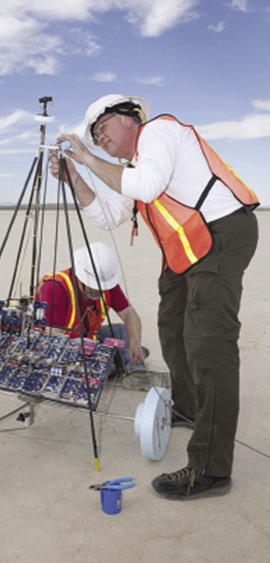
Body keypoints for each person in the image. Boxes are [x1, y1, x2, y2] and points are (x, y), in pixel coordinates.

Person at [49, 94, 259, 500]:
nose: (97, 138)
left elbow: (144, 185)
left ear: (129, 119)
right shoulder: (135, 168)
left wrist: (87, 160)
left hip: (220, 236)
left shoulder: (160, 131)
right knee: (170, 324)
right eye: (92, 136)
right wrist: (75, 177)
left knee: (208, 346)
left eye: (101, 127)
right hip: (188, 251)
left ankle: (211, 469)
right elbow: (110, 215)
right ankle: (188, 407)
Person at [35, 242, 151, 386]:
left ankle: (134, 368)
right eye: (94, 286)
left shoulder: (108, 285)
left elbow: (130, 315)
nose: (99, 291)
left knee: (123, 331)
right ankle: (114, 361)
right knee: (92, 369)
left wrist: (135, 342)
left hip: (88, 338)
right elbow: (53, 338)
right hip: (63, 345)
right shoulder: (55, 288)